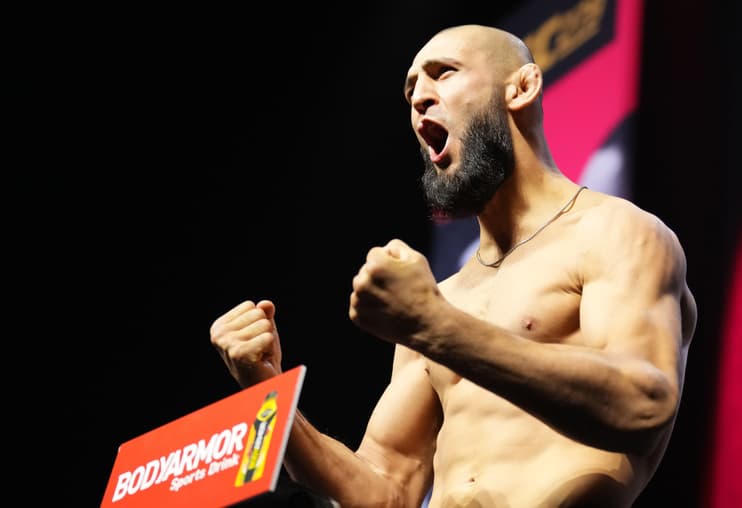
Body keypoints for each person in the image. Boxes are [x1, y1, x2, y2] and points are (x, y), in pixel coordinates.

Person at [210, 24, 697, 507]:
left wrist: (435, 327)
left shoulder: (614, 231)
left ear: (522, 87)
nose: (419, 97)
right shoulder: (441, 299)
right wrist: (266, 393)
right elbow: (386, 490)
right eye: (411, 91)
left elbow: (643, 405)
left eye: (443, 73)